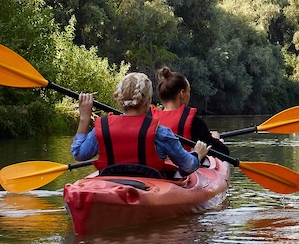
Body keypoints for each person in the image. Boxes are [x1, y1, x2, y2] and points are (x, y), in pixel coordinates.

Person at [71, 72, 210, 179]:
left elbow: (79, 154)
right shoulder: (160, 133)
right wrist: (197, 154)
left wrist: (84, 118)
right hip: (150, 189)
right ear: (148, 101)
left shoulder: (102, 129)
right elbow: (187, 166)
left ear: (119, 101)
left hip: (110, 184)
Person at [156, 66, 231, 156]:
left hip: (154, 169)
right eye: (189, 91)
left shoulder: (150, 119)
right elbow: (223, 153)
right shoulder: (194, 122)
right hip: (183, 167)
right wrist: (217, 140)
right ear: (182, 94)